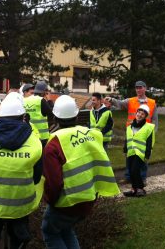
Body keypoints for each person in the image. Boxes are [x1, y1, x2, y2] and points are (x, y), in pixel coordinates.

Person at [42, 95, 120, 248]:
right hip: (88, 200)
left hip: (65, 205)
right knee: (66, 230)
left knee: (50, 232)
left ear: (55, 117)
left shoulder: (53, 145)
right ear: (77, 115)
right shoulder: (91, 135)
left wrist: (50, 201)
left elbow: (54, 183)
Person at [0, 96, 43, 249]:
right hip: (20, 205)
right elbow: (37, 177)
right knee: (18, 240)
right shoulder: (35, 141)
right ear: (23, 117)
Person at [107, 80, 158, 183]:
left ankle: (142, 178)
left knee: (143, 155)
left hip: (144, 133)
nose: (138, 89)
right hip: (131, 132)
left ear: (145, 88)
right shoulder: (130, 100)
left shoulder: (152, 103)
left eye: (140, 87)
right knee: (129, 154)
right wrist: (112, 99)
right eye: (136, 88)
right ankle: (128, 177)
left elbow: (155, 120)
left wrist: (152, 133)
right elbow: (120, 104)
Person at [123, 104, 155, 197]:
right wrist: (125, 150)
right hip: (130, 152)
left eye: (142, 114)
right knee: (131, 171)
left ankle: (140, 189)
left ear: (145, 116)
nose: (139, 115)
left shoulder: (149, 127)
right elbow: (127, 139)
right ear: (136, 113)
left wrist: (147, 155)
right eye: (139, 112)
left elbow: (150, 142)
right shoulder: (130, 127)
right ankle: (133, 190)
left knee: (135, 170)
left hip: (140, 153)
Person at [23, 80, 53, 146]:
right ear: (45, 92)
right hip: (42, 137)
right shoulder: (41, 100)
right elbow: (52, 113)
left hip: (28, 135)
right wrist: (49, 100)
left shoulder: (24, 100)